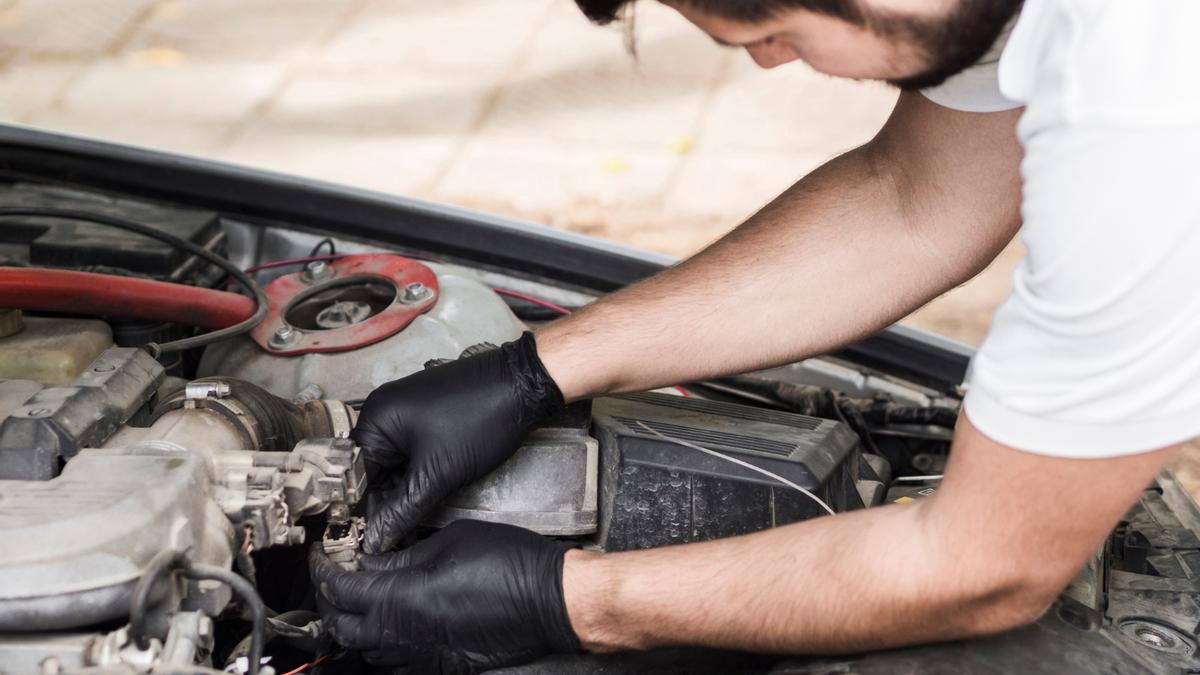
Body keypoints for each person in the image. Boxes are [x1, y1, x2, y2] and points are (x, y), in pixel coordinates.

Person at [307, 0, 1200, 671]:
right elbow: (914, 199)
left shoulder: (1147, 109)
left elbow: (982, 563)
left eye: (763, 23)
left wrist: (571, 598)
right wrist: (536, 370)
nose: (771, 60)